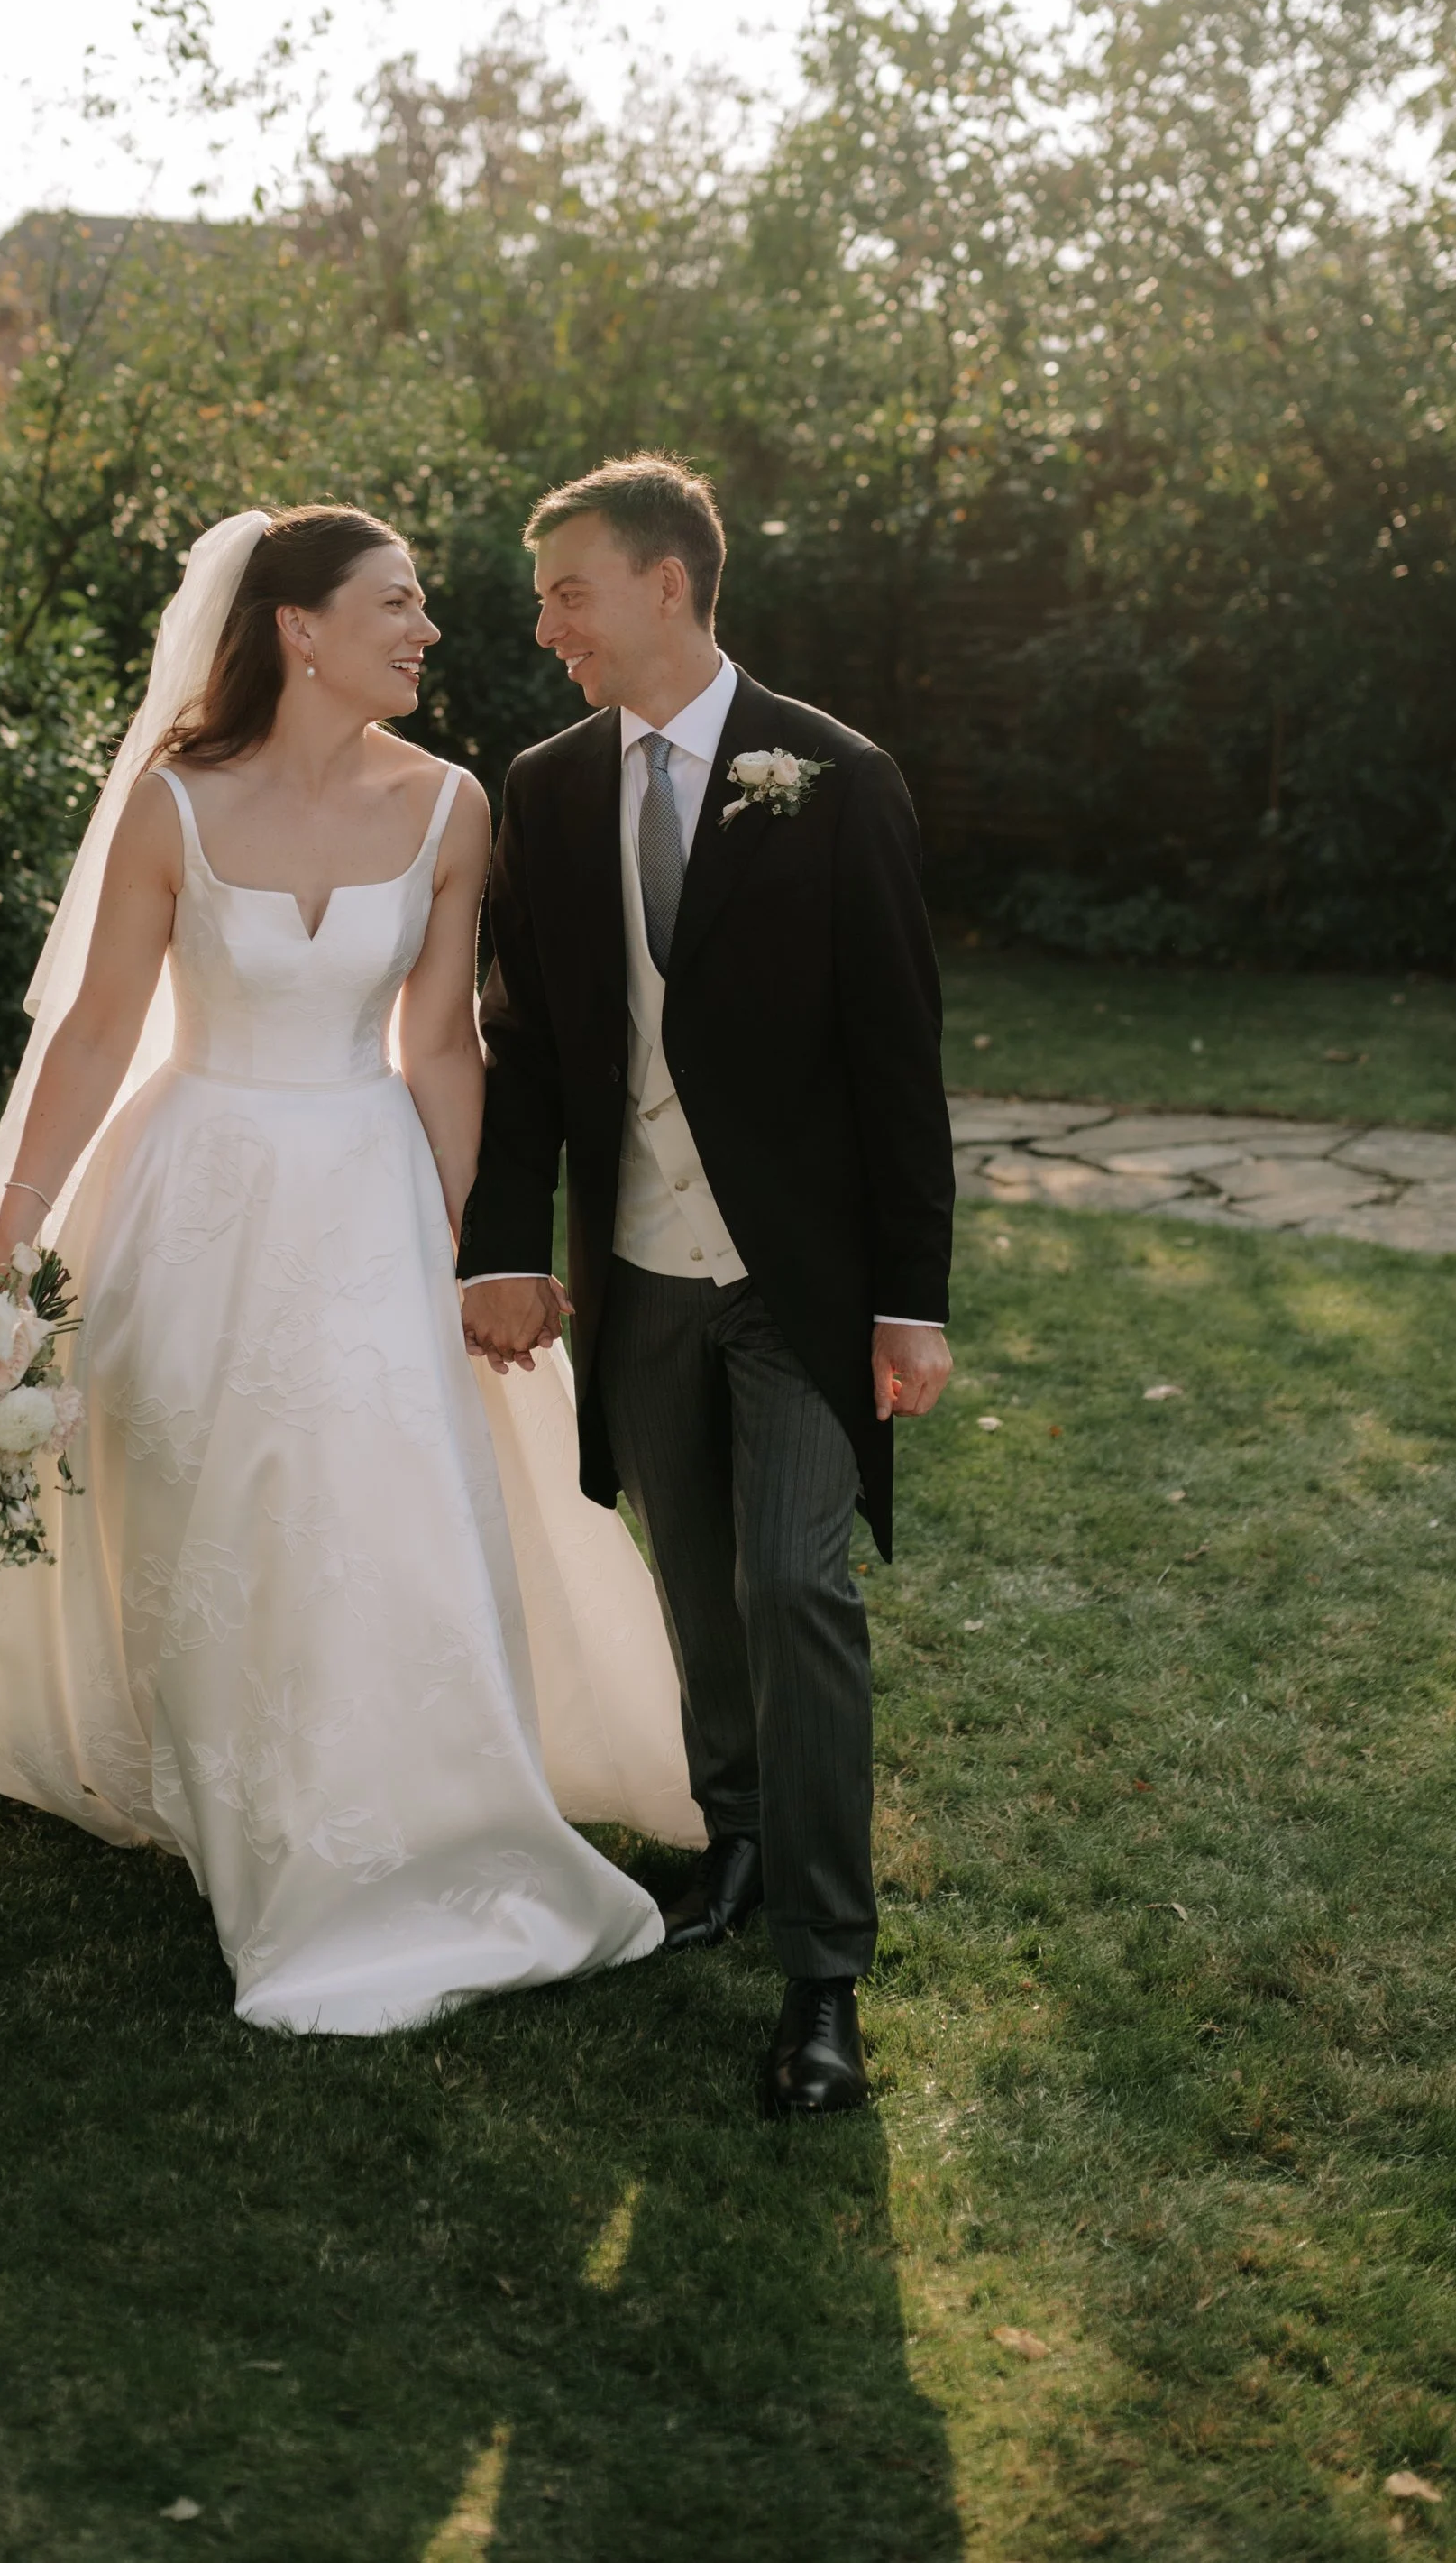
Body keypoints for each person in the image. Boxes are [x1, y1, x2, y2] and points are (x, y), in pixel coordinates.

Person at [0, 506, 700, 2036]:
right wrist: (10, 1241)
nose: (429, 631)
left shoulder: (451, 809)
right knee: (215, 1503)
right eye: (399, 603)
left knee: (381, 1497)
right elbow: (102, 1027)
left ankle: (406, 1807)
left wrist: (473, 1247)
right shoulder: (176, 804)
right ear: (298, 627)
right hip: (198, 1194)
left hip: (366, 1188)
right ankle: (242, 1800)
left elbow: (441, 1043)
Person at [459, 456, 956, 2116]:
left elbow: (898, 1060)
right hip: (637, 1268)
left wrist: (910, 1296)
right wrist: (510, 1249)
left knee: (795, 1584)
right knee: (693, 1581)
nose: (548, 628)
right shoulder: (542, 785)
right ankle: (734, 1838)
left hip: (798, 1282)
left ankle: (824, 1973)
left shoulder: (836, 774)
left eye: (568, 592)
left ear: (668, 584)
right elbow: (524, 1042)